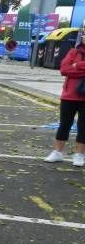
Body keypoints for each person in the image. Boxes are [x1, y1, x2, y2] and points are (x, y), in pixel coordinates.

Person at [43, 39, 85, 167]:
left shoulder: (75, 57)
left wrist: (76, 65)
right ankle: (57, 152)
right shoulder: (73, 51)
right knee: (64, 124)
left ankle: (79, 155)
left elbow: (70, 68)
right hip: (69, 96)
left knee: (83, 127)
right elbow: (64, 69)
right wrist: (76, 67)